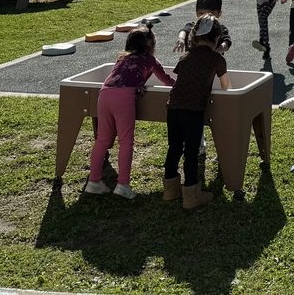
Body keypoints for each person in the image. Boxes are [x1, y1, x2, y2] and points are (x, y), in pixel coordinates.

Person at [84, 26, 174, 200]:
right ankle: (122, 185)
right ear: (150, 44)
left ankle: (93, 181)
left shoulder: (121, 58)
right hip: (124, 98)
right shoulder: (150, 60)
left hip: (104, 94)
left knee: (102, 139)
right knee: (126, 141)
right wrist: (182, 86)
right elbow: (166, 80)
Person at [163, 16, 229, 209]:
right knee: (191, 153)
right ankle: (191, 195)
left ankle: (170, 190)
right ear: (216, 38)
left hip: (173, 109)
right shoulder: (217, 59)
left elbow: (181, 78)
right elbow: (226, 87)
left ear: (194, 37)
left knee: (174, 148)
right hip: (193, 112)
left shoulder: (186, 57)